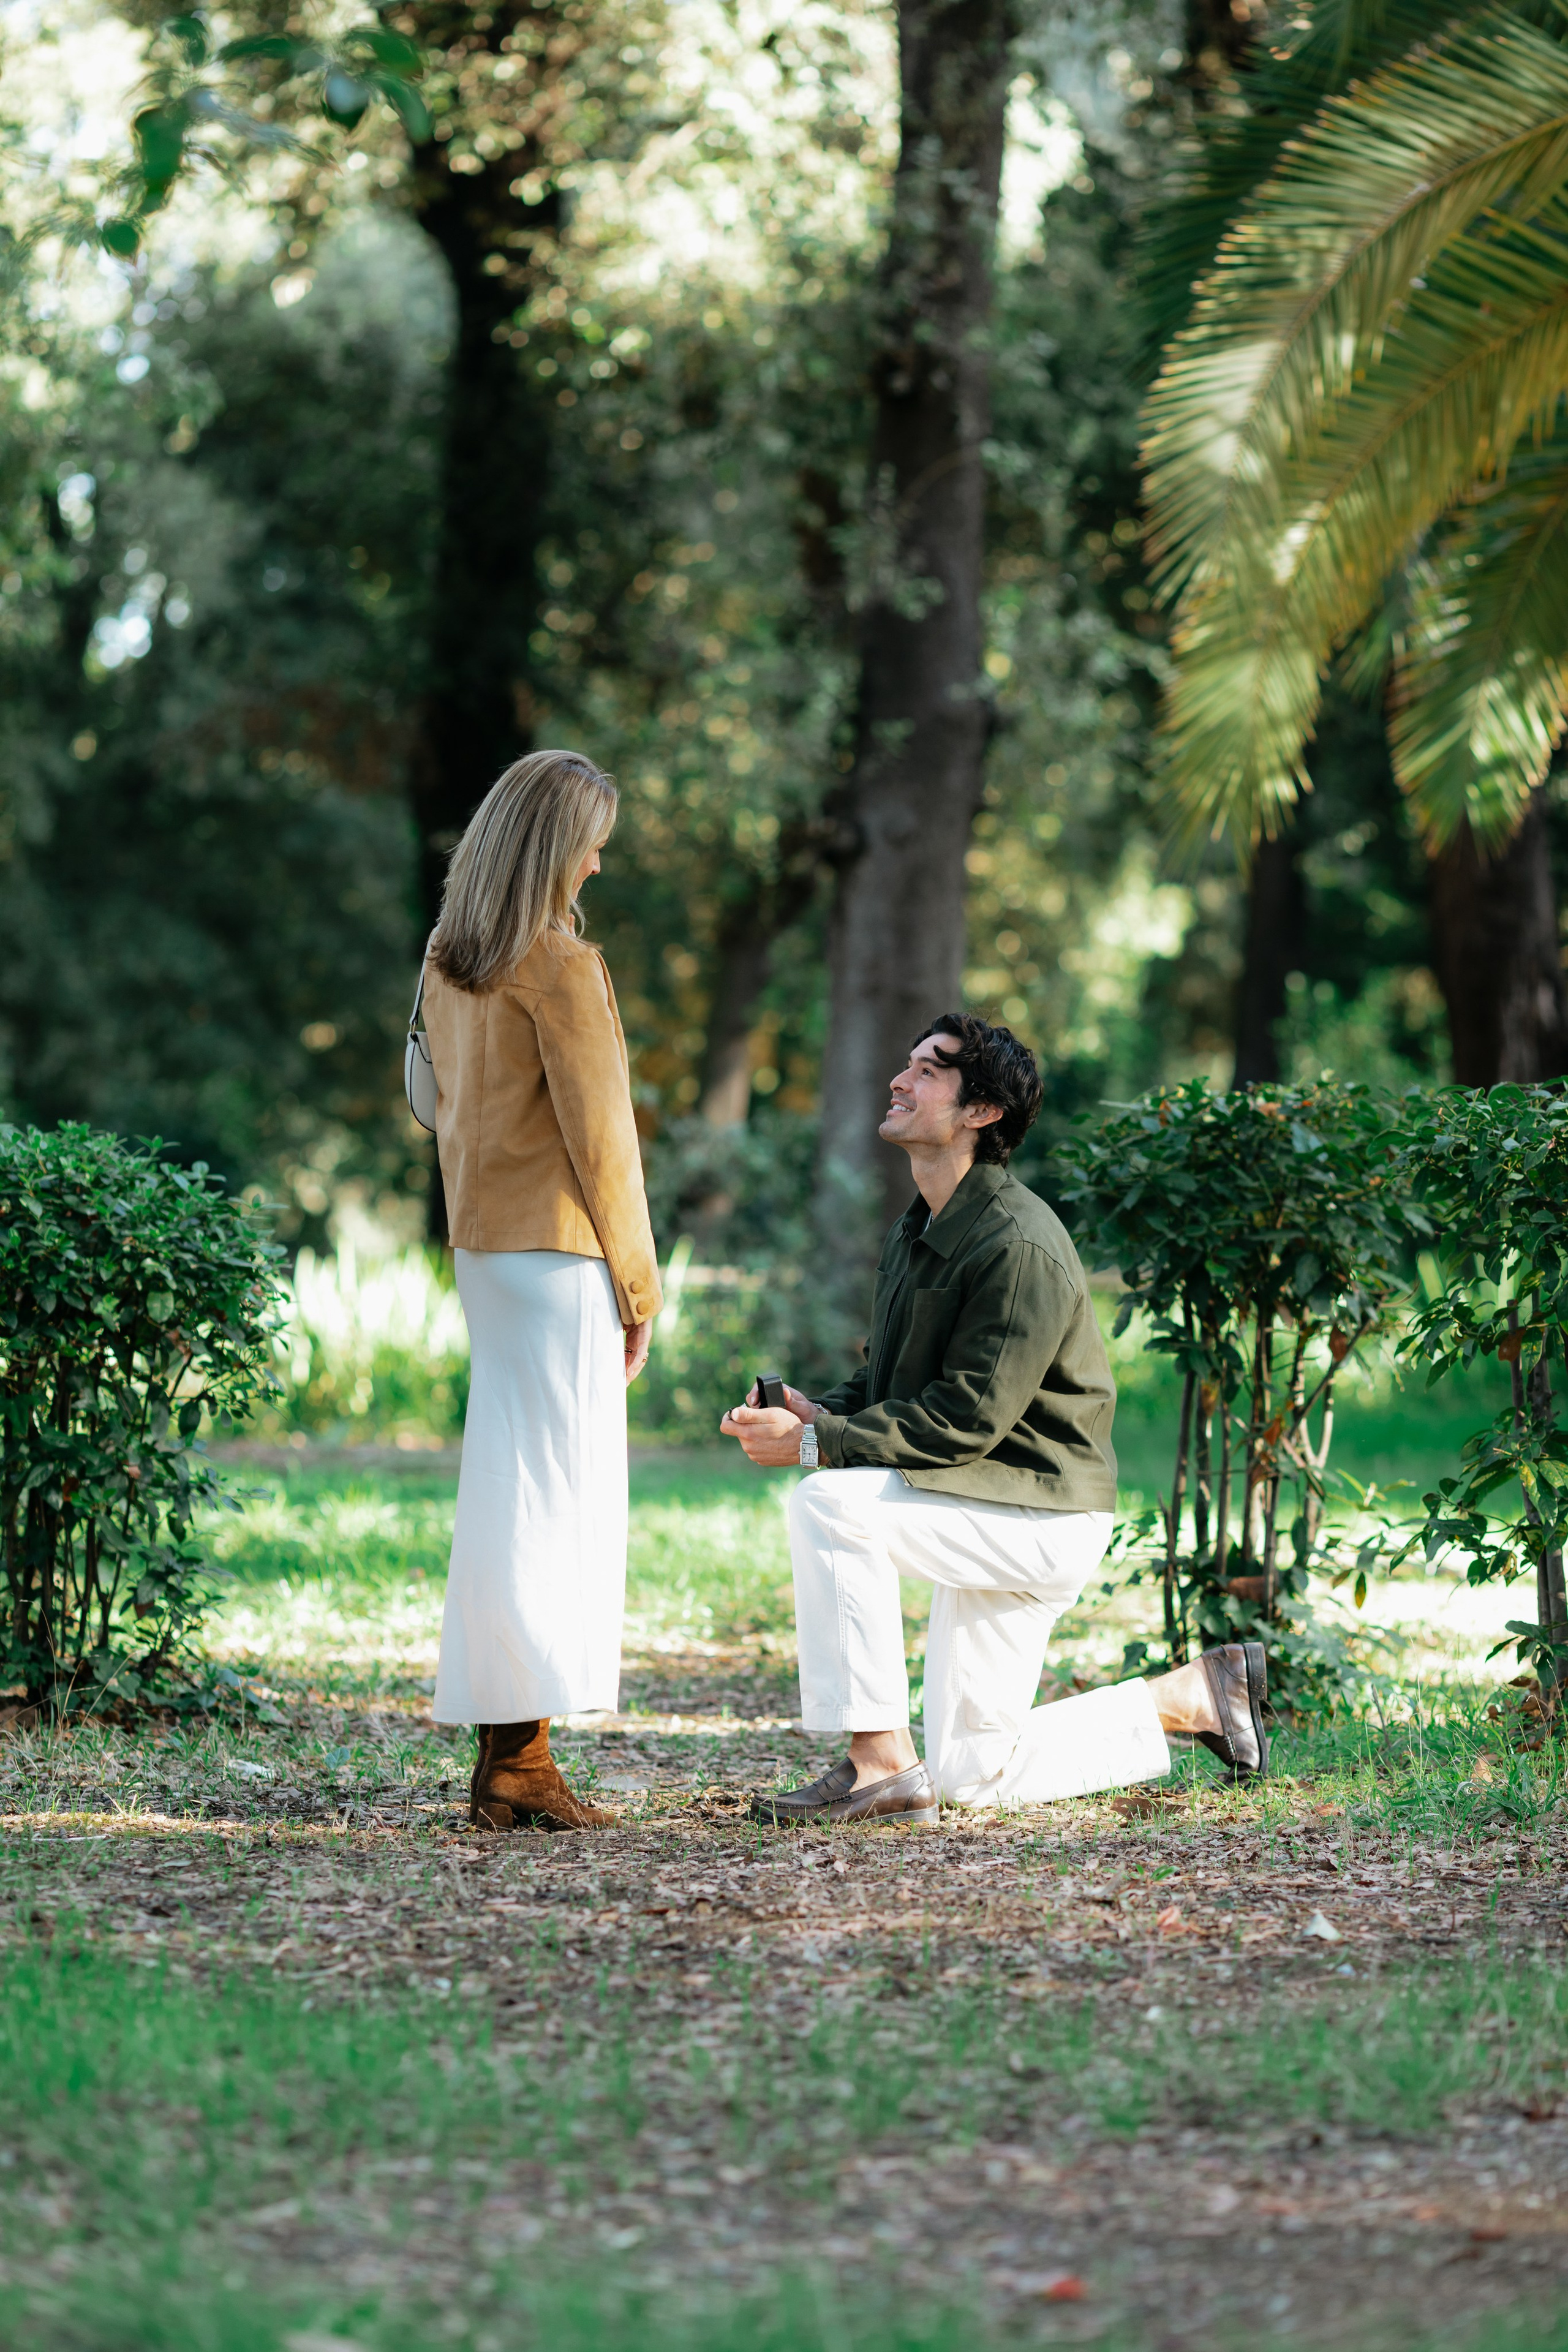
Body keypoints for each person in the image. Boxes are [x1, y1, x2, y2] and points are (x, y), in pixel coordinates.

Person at [720, 1014, 1267, 1825]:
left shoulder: (1017, 1243)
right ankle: (1194, 1699)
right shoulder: (922, 1226)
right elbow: (894, 1378)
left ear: (982, 1113)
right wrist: (820, 1409)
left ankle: (877, 1762)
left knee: (829, 1506)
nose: (902, 1081)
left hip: (1038, 1512)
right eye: (907, 1064)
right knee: (976, 1774)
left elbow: (966, 1417)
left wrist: (813, 1445)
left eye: (930, 1072)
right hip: (984, 1500)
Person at [421, 748, 662, 1831]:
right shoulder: (560, 963)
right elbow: (605, 1144)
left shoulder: (448, 958)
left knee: (507, 1493)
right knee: (558, 1505)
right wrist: (641, 1287)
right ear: (555, 847)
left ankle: (511, 1756)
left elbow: (425, 1099)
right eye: (593, 841)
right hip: (562, 1253)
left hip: (484, 1249)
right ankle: (522, 1762)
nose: (600, 862)